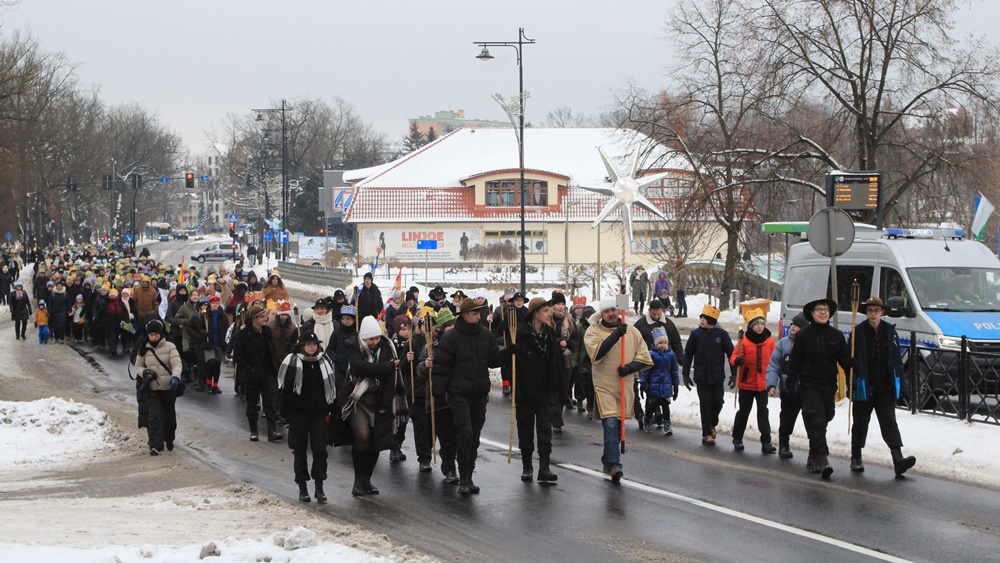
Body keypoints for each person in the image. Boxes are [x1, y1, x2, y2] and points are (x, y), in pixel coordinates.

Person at [432, 297, 510, 495]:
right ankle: (463, 477)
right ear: (465, 315)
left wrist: (508, 353)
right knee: (464, 433)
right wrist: (438, 394)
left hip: (479, 394)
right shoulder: (451, 338)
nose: (478, 316)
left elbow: (492, 361)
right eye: (475, 313)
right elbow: (441, 368)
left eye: (479, 313)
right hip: (459, 395)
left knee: (474, 435)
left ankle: (469, 474)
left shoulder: (486, 335)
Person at [583, 299, 653, 484]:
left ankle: (607, 459)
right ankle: (615, 465)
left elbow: (644, 356)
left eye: (614, 310)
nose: (611, 314)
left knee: (617, 425)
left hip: (624, 385)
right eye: (607, 311)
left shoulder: (632, 331)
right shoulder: (593, 332)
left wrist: (631, 368)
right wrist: (615, 336)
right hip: (604, 386)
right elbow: (596, 354)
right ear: (602, 315)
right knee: (611, 423)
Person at [848, 296, 917, 475]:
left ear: (882, 312)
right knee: (861, 423)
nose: (873, 314)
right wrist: (853, 378)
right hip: (864, 385)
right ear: (866, 313)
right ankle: (856, 457)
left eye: (876, 311)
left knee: (889, 422)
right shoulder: (858, 332)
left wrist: (901, 384)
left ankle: (897, 457)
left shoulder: (890, 332)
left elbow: (896, 361)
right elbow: (849, 360)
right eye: (870, 311)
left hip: (884, 387)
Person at [787, 297, 854, 477]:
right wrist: (791, 382)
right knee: (815, 419)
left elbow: (844, 360)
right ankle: (823, 458)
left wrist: (850, 371)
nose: (823, 312)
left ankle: (813, 456)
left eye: (825, 309)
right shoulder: (804, 335)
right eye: (819, 309)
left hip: (828, 386)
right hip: (810, 385)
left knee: (824, 418)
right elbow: (794, 361)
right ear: (812, 314)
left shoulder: (837, 336)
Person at [342, 316, 407, 496]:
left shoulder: (386, 347)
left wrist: (385, 404)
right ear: (364, 338)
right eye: (371, 339)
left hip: (379, 399)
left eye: (377, 338)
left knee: (375, 442)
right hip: (359, 399)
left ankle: (367, 480)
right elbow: (360, 368)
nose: (375, 342)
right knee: (362, 436)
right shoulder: (353, 347)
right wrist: (386, 366)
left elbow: (391, 378)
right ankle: (357, 479)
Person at [278, 330, 337, 504]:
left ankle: (319, 486)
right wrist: (285, 413)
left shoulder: (324, 362)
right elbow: (286, 390)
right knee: (300, 450)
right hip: (298, 414)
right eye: (308, 344)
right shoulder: (292, 362)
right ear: (302, 346)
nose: (312, 347)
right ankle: (302, 486)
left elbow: (331, 387)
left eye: (314, 344)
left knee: (320, 449)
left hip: (318, 414)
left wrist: (333, 410)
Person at [513, 297, 563, 483]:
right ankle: (527, 466)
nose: (549, 314)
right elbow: (513, 364)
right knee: (525, 430)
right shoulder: (521, 333)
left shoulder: (550, 333)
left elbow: (555, 361)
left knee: (544, 430)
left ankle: (544, 467)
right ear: (535, 313)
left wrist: (558, 388)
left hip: (545, 390)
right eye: (545, 311)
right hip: (526, 391)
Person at [418, 309, 460, 483]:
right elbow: (419, 371)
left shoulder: (460, 343)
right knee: (443, 433)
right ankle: (443, 464)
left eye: (453, 325)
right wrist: (425, 365)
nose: (452, 328)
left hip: (457, 394)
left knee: (455, 434)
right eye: (449, 326)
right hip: (438, 396)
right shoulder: (430, 347)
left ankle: (451, 463)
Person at [682, 304, 734, 446]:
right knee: (705, 404)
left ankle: (712, 423)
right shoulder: (695, 334)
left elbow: (731, 354)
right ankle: (706, 434)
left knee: (718, 402)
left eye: (705, 318)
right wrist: (685, 373)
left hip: (717, 376)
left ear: (712, 320)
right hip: (702, 376)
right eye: (701, 317)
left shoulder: (721, 335)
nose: (702, 320)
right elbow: (688, 355)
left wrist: (734, 374)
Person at [729, 308, 777, 454]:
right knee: (744, 411)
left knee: (763, 412)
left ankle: (766, 442)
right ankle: (737, 438)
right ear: (751, 326)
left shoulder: (769, 341)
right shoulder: (744, 341)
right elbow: (733, 357)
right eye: (757, 324)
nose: (760, 327)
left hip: (762, 384)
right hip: (746, 383)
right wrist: (736, 360)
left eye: (762, 324)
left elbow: (775, 360)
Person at [234, 304, 283, 442]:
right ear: (254, 318)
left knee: (271, 402)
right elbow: (238, 355)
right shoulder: (244, 334)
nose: (265, 318)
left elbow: (271, 350)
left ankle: (272, 431)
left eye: (265, 316)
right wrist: (248, 368)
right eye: (262, 316)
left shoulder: (267, 331)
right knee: (252, 403)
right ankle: (254, 431)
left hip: (267, 372)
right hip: (252, 374)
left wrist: (274, 368)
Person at [633, 299, 684, 430]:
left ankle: (659, 415)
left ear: (662, 311)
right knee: (651, 391)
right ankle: (652, 415)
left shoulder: (669, 324)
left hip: (665, 364)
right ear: (649, 311)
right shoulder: (640, 325)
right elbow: (633, 343)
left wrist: (681, 360)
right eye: (653, 314)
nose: (656, 317)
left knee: (662, 393)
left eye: (658, 314)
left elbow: (677, 343)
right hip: (646, 363)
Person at [135, 320, 182, 455]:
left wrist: (175, 377)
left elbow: (176, 364)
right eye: (151, 335)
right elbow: (138, 366)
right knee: (154, 416)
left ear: (161, 334)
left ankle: (169, 438)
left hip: (168, 388)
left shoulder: (170, 347)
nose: (153, 337)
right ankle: (155, 445)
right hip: (152, 388)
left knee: (169, 416)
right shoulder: (144, 348)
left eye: (156, 334)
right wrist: (144, 372)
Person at [766, 314, 809, 458]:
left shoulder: (809, 344)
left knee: (811, 420)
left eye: (796, 325)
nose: (792, 327)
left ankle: (816, 448)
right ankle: (784, 444)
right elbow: (774, 365)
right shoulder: (783, 344)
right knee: (786, 418)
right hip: (787, 389)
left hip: (806, 389)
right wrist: (771, 384)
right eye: (792, 324)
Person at [639, 327, 679, 435]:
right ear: (656, 343)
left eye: (665, 342)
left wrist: (675, 385)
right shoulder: (651, 354)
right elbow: (646, 370)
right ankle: (647, 419)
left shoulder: (671, 355)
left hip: (666, 384)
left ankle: (667, 423)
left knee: (666, 406)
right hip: (654, 385)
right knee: (652, 405)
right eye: (660, 343)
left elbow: (674, 371)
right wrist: (643, 383)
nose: (663, 345)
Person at [549, 291, 579, 433]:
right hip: (549, 359)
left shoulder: (570, 320)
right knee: (551, 389)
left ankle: (556, 416)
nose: (560, 307)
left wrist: (567, 344)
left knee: (563, 390)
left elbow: (576, 339)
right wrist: (556, 342)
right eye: (558, 304)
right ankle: (555, 420)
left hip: (565, 360)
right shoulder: (547, 319)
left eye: (562, 304)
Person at [187, 295, 230, 393]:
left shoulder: (222, 316)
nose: (215, 305)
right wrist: (204, 333)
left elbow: (226, 328)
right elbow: (199, 327)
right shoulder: (205, 315)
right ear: (210, 304)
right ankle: (208, 382)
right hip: (208, 343)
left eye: (217, 303)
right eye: (213, 303)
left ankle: (215, 385)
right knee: (211, 362)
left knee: (217, 365)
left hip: (219, 343)